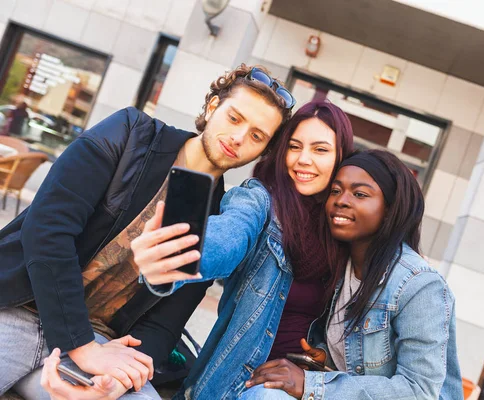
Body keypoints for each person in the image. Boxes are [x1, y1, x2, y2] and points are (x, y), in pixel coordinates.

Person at [0, 63, 293, 399]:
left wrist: (118, 382)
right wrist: (81, 346)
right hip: (21, 308)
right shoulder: (129, 134)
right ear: (213, 107)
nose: (239, 138)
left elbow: (164, 326)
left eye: (257, 136)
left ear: (263, 151)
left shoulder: (216, 219)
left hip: (102, 344)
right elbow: (48, 231)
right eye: (234, 118)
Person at [122, 100, 353, 400]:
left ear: (340, 157)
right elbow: (232, 232)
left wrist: (320, 354)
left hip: (308, 388)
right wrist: (176, 256)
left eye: (320, 150)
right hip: (240, 386)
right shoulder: (260, 200)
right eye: (295, 147)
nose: (303, 160)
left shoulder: (342, 228)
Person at [244, 150, 464, 399]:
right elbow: (363, 358)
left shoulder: (419, 285)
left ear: (391, 209)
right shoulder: (341, 267)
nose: (341, 200)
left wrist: (313, 385)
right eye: (336, 191)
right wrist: (325, 358)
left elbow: (419, 391)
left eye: (359, 194)